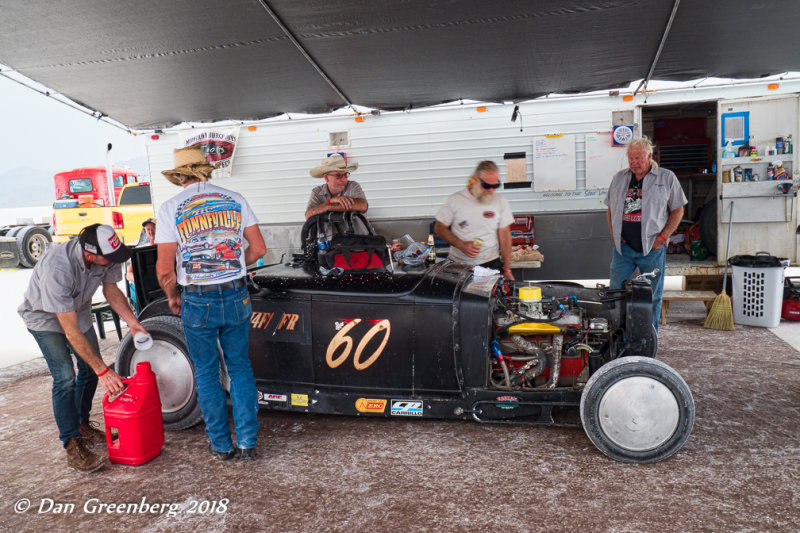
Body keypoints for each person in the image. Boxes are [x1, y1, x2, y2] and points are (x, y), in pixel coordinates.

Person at [155, 145, 266, 461]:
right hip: (236, 294)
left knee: (205, 372)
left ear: (179, 177)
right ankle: (247, 442)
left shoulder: (170, 208)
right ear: (207, 170)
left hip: (197, 298)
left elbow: (164, 269)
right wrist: (236, 266)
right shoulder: (235, 199)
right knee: (240, 366)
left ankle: (221, 444)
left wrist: (173, 295)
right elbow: (258, 248)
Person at [18, 223, 148, 472]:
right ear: (90, 254)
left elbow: (111, 290)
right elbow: (70, 332)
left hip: (77, 312)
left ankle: (82, 424)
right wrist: (103, 371)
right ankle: (71, 444)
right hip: (44, 318)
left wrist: (133, 323)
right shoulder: (58, 267)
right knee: (66, 377)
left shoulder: (108, 256)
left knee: (89, 370)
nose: (113, 261)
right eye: (109, 259)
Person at [604, 137, 686, 329]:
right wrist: (614, 234)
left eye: (638, 158)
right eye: (631, 158)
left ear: (649, 156)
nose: (634, 163)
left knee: (651, 296)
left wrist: (663, 238)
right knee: (616, 293)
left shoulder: (666, 178)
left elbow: (678, 210)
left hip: (652, 248)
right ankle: (617, 336)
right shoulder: (619, 178)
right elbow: (610, 208)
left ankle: (649, 339)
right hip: (622, 249)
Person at [434, 160, 515, 281]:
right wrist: (461, 244)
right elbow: (439, 228)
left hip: (490, 263)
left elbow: (505, 236)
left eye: (495, 186)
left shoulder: (500, 201)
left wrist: (507, 269)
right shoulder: (456, 200)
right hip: (458, 264)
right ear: (476, 180)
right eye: (487, 186)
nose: (491, 190)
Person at [305, 154, 369, 226]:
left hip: (357, 237)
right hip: (329, 237)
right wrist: (329, 203)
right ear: (326, 178)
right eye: (338, 175)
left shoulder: (352, 186)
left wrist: (328, 206)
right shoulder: (317, 191)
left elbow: (362, 206)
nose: (344, 179)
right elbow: (308, 215)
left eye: (345, 175)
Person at [126, 218, 156, 312]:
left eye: (153, 228)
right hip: (145, 287)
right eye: (148, 229)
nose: (151, 232)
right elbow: (128, 274)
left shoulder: (167, 246)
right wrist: (138, 279)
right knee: (134, 288)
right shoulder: (140, 250)